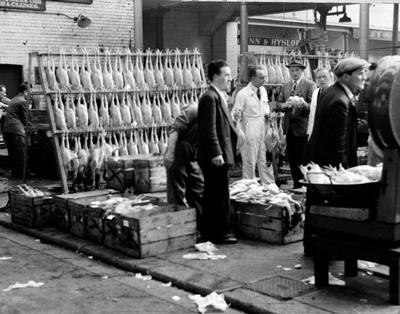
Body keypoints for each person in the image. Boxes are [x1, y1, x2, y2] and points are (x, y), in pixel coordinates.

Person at [197, 59, 237, 244]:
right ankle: (220, 233)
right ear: (215, 77)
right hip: (215, 156)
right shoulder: (209, 97)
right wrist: (216, 153)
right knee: (217, 195)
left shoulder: (218, 95)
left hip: (221, 153)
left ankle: (213, 231)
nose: (230, 78)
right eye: (226, 75)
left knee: (217, 193)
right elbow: (209, 128)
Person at [309, 57, 370, 168]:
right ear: (346, 77)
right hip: (333, 169)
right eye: (361, 73)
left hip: (323, 164)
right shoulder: (340, 101)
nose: (364, 78)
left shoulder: (330, 92)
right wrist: (344, 171)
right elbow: (339, 143)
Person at [274, 58, 315, 188]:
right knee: (292, 159)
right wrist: (283, 105)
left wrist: (301, 104)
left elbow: (312, 105)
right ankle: (296, 186)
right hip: (289, 129)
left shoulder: (309, 85)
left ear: (302, 71)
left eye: (297, 70)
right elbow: (278, 104)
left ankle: (304, 186)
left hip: (302, 128)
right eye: (292, 70)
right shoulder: (285, 86)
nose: (294, 73)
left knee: (303, 159)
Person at [163, 103, 204, 234]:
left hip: (192, 154)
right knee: (176, 190)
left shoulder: (213, 116)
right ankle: (178, 226)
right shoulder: (193, 110)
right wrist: (170, 153)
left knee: (198, 187)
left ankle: (198, 224)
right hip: (178, 151)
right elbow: (174, 130)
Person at [232, 65, 274, 184]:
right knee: (249, 161)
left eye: (264, 77)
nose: (264, 80)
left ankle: (268, 186)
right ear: (252, 78)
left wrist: (268, 116)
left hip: (263, 127)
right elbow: (235, 113)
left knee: (264, 159)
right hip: (249, 129)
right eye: (261, 78)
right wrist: (239, 129)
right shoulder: (243, 94)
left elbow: (265, 108)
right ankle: (248, 188)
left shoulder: (263, 90)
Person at [3, 82, 30, 179]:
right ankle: (22, 176)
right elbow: (26, 118)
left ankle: (15, 175)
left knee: (13, 154)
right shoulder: (22, 101)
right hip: (16, 130)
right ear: (26, 92)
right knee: (21, 154)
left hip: (7, 130)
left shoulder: (14, 99)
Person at [307, 68, 332, 139]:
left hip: (330, 132)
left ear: (330, 77)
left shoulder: (335, 92)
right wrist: (309, 133)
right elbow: (312, 115)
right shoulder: (315, 92)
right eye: (319, 77)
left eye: (324, 77)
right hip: (316, 132)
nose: (321, 80)